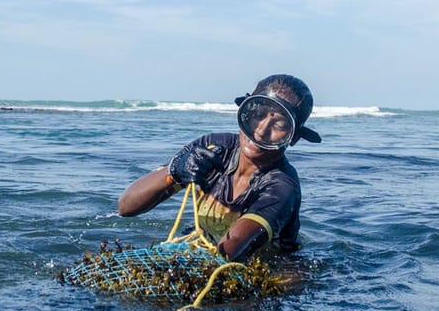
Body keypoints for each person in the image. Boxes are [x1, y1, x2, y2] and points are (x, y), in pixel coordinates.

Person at [118, 74, 320, 262]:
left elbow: (227, 253)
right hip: (205, 247)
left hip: (270, 268)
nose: (261, 130)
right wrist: (176, 171)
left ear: (292, 138)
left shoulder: (281, 187)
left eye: (279, 125)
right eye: (258, 114)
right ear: (245, 112)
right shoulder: (212, 147)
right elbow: (126, 207)